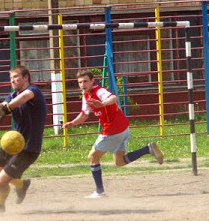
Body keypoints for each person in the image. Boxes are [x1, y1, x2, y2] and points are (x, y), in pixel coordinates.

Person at [62, 69, 164, 198]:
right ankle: (147, 149)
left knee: (92, 157)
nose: (83, 84)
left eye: (85, 81)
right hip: (123, 127)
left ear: (93, 81)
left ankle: (99, 192)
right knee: (119, 162)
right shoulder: (86, 95)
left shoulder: (99, 91)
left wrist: (102, 103)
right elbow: (84, 114)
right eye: (80, 82)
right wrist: (72, 123)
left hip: (112, 129)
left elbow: (114, 98)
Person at [0, 65, 47, 213]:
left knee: (1, 180)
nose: (12, 80)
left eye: (16, 77)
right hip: (13, 142)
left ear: (26, 77)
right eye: (11, 78)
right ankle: (21, 185)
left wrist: (6, 109)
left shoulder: (33, 91)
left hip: (28, 147)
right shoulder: (13, 95)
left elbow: (23, 98)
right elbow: (5, 104)